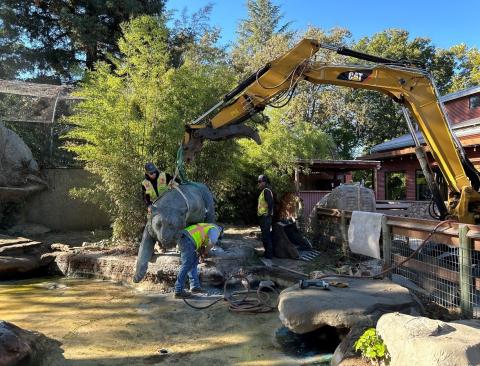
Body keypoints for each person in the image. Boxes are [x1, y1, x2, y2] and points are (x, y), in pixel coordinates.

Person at [174, 223, 223, 299]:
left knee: (193, 263)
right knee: (186, 265)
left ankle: (195, 287)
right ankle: (178, 290)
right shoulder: (215, 229)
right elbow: (213, 241)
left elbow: (200, 240)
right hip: (187, 240)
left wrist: (201, 253)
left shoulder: (206, 227)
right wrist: (206, 251)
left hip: (186, 239)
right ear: (220, 231)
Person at [257, 174, 274, 260]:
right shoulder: (263, 191)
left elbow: (270, 203)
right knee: (264, 236)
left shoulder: (266, 191)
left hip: (265, 217)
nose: (258, 183)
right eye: (258, 182)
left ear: (264, 182)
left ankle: (269, 255)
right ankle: (267, 253)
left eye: (260, 181)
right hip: (263, 217)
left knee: (266, 236)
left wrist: (269, 213)